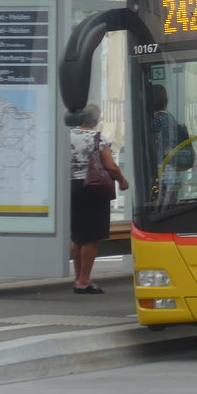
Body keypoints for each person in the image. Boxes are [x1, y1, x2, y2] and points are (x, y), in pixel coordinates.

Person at [69, 103, 128, 294]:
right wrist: (122, 180)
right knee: (91, 237)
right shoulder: (98, 137)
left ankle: (78, 278)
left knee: (77, 235)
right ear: (96, 119)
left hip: (71, 188)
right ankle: (84, 280)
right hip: (92, 188)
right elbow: (110, 166)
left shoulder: (66, 136)